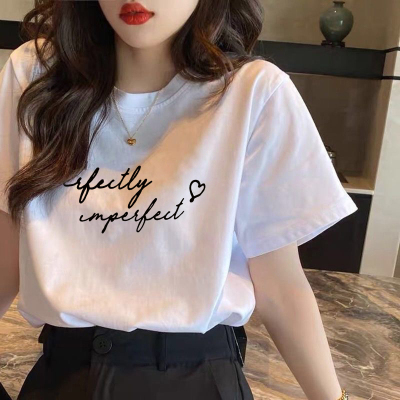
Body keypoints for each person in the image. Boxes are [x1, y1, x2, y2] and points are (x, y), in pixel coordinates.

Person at [0, 1, 356, 399]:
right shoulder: (37, 76)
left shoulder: (253, 92)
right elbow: (5, 254)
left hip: (198, 379)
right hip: (62, 378)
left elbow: (280, 286)